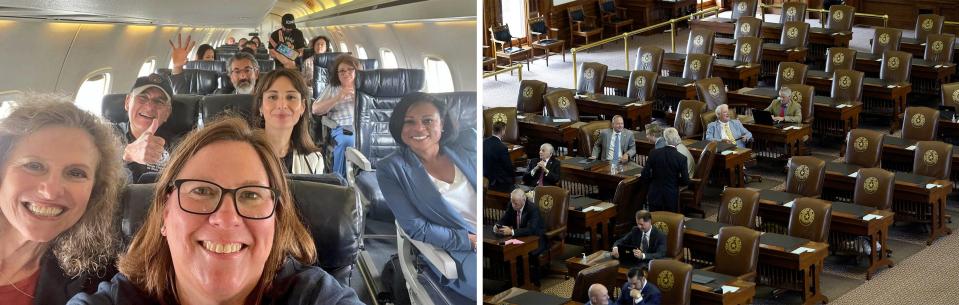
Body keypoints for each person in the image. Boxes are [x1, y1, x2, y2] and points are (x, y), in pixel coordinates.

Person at [69, 117, 362, 304]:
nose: (225, 218)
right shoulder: (121, 300)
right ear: (164, 215)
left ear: (276, 220)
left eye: (250, 195)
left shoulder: (314, 297)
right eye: (201, 191)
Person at [0, 97, 124, 305]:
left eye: (76, 173)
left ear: (95, 190)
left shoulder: (97, 278)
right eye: (34, 166)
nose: (50, 192)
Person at [376, 92, 477, 301]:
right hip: (458, 250)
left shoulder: (468, 144)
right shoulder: (391, 168)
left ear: (443, 125)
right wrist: (469, 241)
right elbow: (417, 228)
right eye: (409, 121)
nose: (419, 128)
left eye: (428, 121)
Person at [251, 69, 324, 174]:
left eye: (290, 97)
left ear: (302, 107)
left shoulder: (314, 160)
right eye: (272, 97)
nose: (282, 105)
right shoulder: (242, 153)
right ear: (260, 106)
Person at [117, 73, 175, 182]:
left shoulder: (177, 146)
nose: (149, 107)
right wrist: (126, 154)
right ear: (127, 102)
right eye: (143, 98)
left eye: (159, 101)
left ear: (167, 113)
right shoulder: (105, 135)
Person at [312, 54, 361, 177]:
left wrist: (357, 98)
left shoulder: (364, 88)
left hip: (363, 128)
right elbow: (315, 109)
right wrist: (338, 98)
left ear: (357, 70)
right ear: (337, 74)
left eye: (350, 69)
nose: (346, 73)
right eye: (342, 71)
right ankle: (339, 179)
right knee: (348, 142)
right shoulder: (333, 88)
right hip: (342, 128)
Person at [495, 188, 546, 286]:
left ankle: (529, 281)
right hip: (519, 237)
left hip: (535, 239)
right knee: (503, 249)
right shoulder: (511, 205)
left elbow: (531, 229)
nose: (513, 205)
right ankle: (511, 281)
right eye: (512, 202)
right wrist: (498, 225)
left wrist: (512, 231)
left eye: (516, 203)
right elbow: (505, 219)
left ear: (524, 200)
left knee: (523, 253)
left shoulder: (532, 209)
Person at [640, 129, 689, 212]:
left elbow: (645, 174)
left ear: (664, 139)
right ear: (677, 139)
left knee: (654, 221)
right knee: (669, 222)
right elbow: (685, 181)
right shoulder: (681, 158)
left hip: (654, 194)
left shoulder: (653, 153)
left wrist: (652, 181)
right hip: (671, 196)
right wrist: (675, 181)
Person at [483, 121, 515, 192]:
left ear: (492, 130)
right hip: (496, 182)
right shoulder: (502, 147)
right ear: (503, 131)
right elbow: (508, 167)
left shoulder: (483, 142)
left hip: (483, 177)